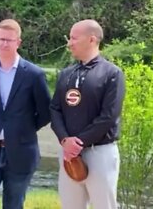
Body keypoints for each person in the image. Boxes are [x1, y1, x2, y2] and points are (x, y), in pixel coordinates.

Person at [0, 19, 51, 209]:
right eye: (1, 39)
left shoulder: (34, 74)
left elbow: (45, 112)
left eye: (9, 40)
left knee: (13, 204)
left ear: (18, 42)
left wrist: (23, 128)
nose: (5, 44)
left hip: (21, 152)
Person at [50, 19, 125, 209]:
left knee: (103, 205)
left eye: (74, 38)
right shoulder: (66, 74)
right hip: (68, 154)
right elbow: (55, 109)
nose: (69, 43)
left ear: (91, 39)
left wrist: (79, 142)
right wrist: (65, 140)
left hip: (99, 152)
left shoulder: (112, 74)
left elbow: (109, 115)